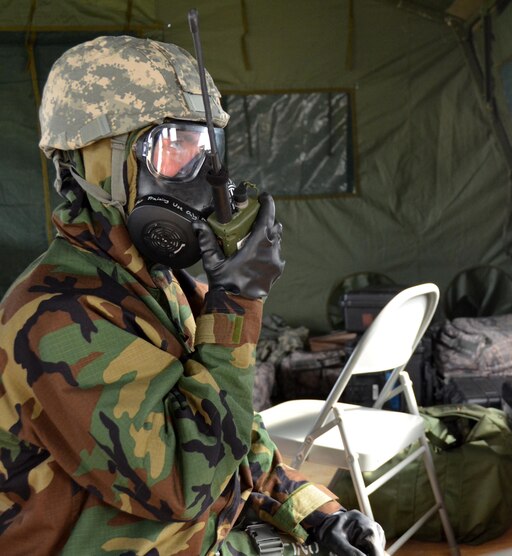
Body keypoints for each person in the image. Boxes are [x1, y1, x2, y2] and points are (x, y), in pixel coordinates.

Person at [0, 35, 385, 555]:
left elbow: (235, 430)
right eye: (173, 146)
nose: (203, 175)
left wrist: (315, 513)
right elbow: (185, 483)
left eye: (207, 149)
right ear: (96, 164)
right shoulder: (51, 319)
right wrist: (238, 303)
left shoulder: (161, 283)